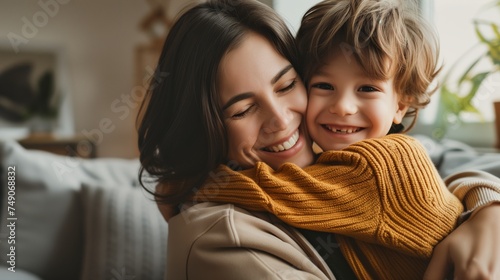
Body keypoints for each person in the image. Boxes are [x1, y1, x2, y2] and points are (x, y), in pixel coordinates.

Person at [137, 0, 500, 279]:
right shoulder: (220, 237)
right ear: (202, 125)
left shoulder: (363, 153)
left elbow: (453, 162)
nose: (281, 120)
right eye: (242, 109)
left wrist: (488, 212)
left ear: (400, 106)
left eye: (286, 85)